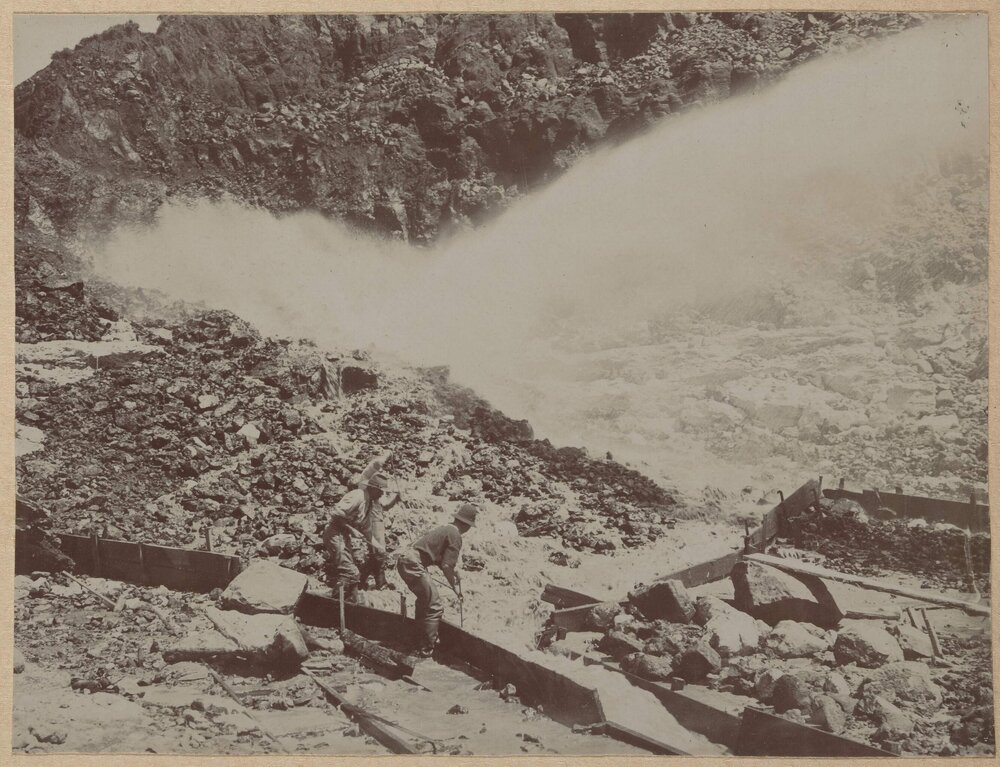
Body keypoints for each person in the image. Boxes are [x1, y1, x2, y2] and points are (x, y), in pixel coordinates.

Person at [397, 503, 477, 657]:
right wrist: (454, 585)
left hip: (405, 561)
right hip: (413, 563)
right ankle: (427, 649)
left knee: (424, 601)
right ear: (467, 525)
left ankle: (418, 640)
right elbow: (447, 565)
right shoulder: (456, 536)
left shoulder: (446, 529)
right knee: (434, 606)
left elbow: (442, 562)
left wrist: (455, 573)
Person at [322, 472, 391, 603]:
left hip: (343, 536)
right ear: (373, 488)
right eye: (381, 491)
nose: (382, 494)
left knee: (353, 574)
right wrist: (351, 529)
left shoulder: (368, 504)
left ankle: (350, 602)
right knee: (350, 572)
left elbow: (367, 532)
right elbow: (335, 513)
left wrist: (380, 548)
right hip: (334, 533)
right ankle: (332, 603)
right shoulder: (358, 496)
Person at [355, 450, 401, 591]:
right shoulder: (365, 485)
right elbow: (374, 465)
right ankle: (377, 582)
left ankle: (364, 581)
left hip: (378, 523)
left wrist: (395, 499)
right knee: (378, 553)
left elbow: (385, 506)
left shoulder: (377, 494)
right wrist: (387, 455)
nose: (381, 493)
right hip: (370, 523)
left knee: (377, 553)